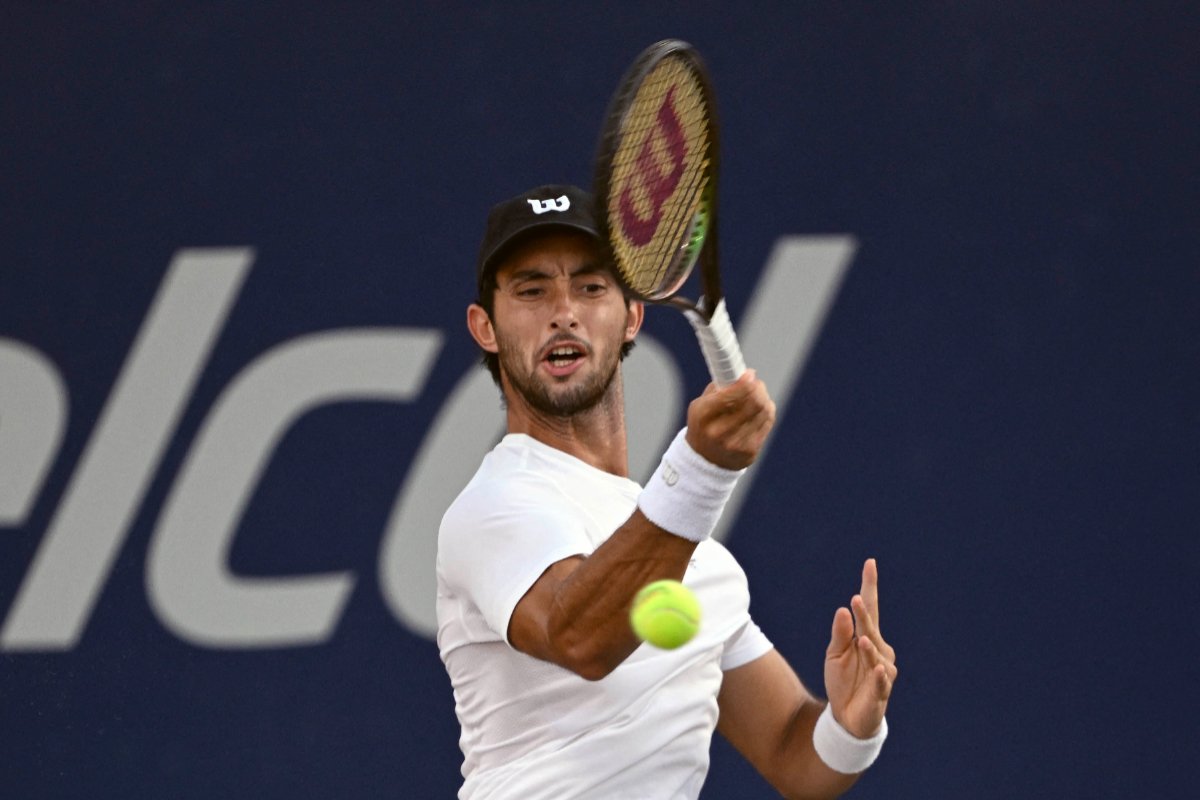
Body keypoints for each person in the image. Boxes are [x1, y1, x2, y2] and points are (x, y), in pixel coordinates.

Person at [436, 184, 897, 799]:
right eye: (531, 290)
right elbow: (581, 638)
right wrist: (700, 470)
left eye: (591, 287)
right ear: (485, 327)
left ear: (633, 314)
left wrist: (852, 724)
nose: (563, 311)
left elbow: (793, 755)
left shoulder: (698, 561)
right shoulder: (493, 506)